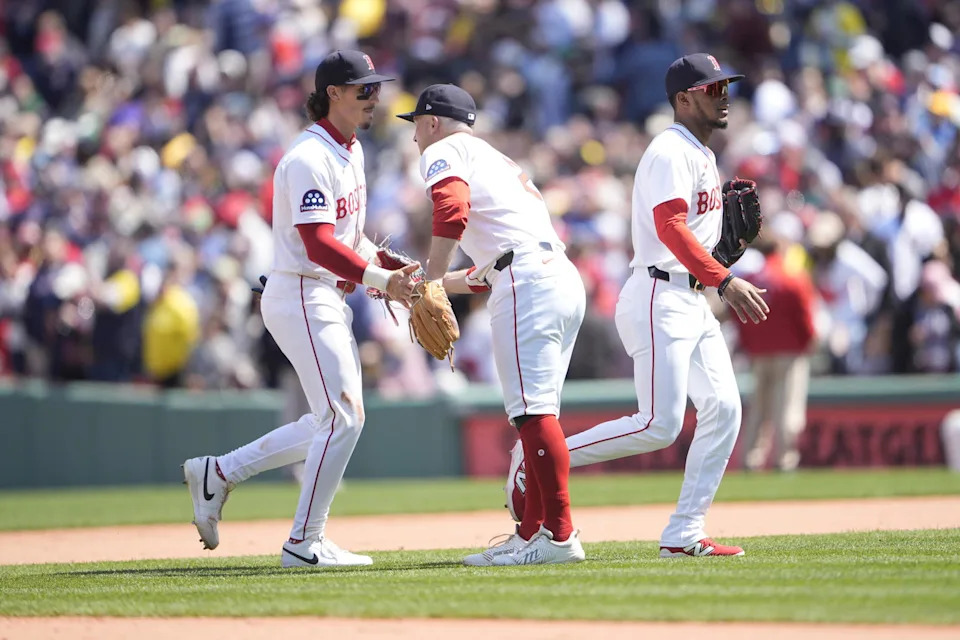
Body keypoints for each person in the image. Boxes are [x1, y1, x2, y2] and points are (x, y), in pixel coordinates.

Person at [504, 53, 769, 557]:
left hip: (688, 298)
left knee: (725, 409)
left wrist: (722, 257)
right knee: (658, 425)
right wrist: (724, 277)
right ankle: (531, 458)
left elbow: (688, 234)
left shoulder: (703, 153)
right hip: (658, 295)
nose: (724, 95)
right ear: (683, 99)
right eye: (712, 88)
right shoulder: (671, 150)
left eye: (725, 86)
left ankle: (684, 532)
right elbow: (669, 227)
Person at [182, 50, 421, 568]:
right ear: (332, 93)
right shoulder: (308, 156)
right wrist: (380, 279)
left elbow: (348, 240)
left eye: (375, 87)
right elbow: (317, 244)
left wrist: (390, 267)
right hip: (301, 292)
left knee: (328, 421)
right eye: (363, 88)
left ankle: (218, 473)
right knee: (345, 417)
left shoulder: (352, 150)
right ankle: (304, 542)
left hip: (323, 294)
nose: (373, 97)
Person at [398, 84, 586, 566]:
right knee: (538, 415)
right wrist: (423, 281)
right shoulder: (497, 160)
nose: (415, 135)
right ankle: (533, 535)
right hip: (553, 276)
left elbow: (451, 210)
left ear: (433, 122)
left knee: (531, 415)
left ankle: (559, 537)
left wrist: (433, 279)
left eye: (416, 123)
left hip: (526, 280)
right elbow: (489, 271)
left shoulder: (445, 149)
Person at [735, 224, 817, 472]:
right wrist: (808, 344)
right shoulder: (793, 278)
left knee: (759, 409)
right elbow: (806, 320)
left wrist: (749, 345)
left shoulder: (748, 280)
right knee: (787, 408)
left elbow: (738, 317)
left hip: (759, 353)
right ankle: (784, 460)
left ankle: (751, 459)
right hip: (789, 353)